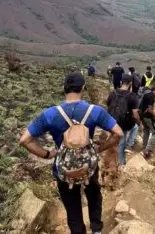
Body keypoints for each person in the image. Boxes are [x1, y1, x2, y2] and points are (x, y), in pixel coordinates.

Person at [19, 72, 123, 234]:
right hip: (89, 166)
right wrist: (99, 148)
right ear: (83, 88)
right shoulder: (95, 111)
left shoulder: (50, 114)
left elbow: (25, 139)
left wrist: (48, 154)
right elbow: (118, 133)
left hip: (64, 169)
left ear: (64, 89)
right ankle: (96, 229)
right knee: (94, 196)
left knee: (72, 206)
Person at [107, 74, 142, 165]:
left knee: (114, 140)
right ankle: (121, 162)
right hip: (124, 124)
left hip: (111, 122)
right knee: (123, 141)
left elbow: (108, 104)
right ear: (130, 83)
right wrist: (140, 124)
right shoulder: (132, 96)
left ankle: (112, 158)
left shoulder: (113, 93)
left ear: (121, 82)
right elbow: (135, 115)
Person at [139, 81, 155, 159]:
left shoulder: (144, 91)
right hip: (148, 116)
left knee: (146, 131)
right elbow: (150, 109)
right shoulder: (151, 94)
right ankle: (147, 150)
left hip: (142, 116)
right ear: (154, 84)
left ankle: (144, 147)